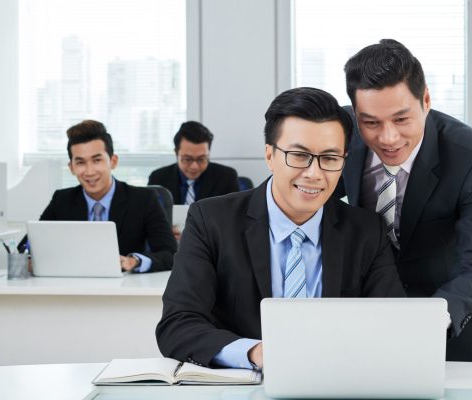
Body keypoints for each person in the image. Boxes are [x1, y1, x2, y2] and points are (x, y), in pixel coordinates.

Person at [156, 87, 405, 369]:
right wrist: (254, 353)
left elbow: (390, 323)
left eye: (330, 158)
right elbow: (177, 324)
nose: (314, 173)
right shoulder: (211, 219)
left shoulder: (365, 231)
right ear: (270, 155)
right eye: (299, 155)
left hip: (335, 380)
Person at [338, 39, 472, 362]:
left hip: (455, 330)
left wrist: (427, 323)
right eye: (371, 122)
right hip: (372, 325)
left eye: (402, 119)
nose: (387, 138)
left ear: (426, 100)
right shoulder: (341, 136)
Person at [22, 120, 176, 273]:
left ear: (113, 161)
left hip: (125, 290)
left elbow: (170, 254)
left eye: (97, 160)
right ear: (71, 167)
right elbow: (28, 246)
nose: (89, 171)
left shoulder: (143, 199)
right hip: (73, 288)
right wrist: (29, 258)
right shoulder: (62, 200)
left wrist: (133, 261)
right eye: (80, 162)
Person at [148, 121, 239, 206]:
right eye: (187, 159)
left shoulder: (226, 177)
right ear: (176, 153)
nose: (194, 167)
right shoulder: (158, 178)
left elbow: (234, 217)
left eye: (201, 159)